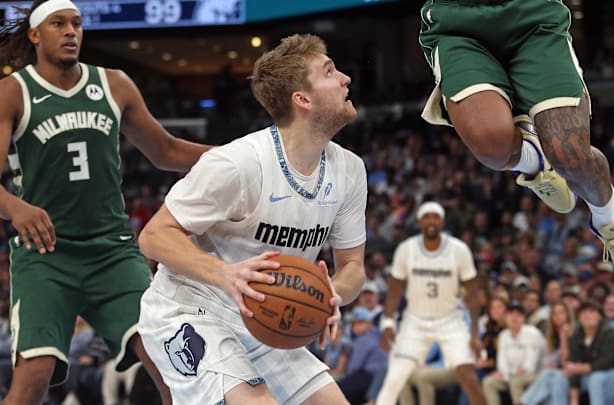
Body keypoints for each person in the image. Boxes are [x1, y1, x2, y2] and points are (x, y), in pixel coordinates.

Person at [136, 33, 368, 404]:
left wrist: (330, 295)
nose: (345, 79)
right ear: (302, 99)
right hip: (192, 308)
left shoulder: (351, 170)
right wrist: (225, 275)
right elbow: (154, 236)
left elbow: (353, 264)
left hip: (265, 317)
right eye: (330, 72)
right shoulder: (237, 163)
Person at [0, 0, 210, 403]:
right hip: (47, 255)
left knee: (173, 367)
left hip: (111, 252)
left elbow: (164, 151)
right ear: (34, 35)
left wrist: (235, 156)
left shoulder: (113, 84)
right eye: (58, 24)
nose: (70, 31)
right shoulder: (14, 91)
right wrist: (15, 207)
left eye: (77, 24)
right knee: (31, 382)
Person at [417, 0, 614, 298]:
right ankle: (535, 164)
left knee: (570, 155)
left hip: (532, 15)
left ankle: (610, 222)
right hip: (458, 24)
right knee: (492, 147)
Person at [375, 201, 485, 405]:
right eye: (427, 217)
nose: (431, 221)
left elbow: (472, 294)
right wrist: (388, 323)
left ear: (442, 222)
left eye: (435, 217)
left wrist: (475, 334)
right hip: (415, 321)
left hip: (450, 320)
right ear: (419, 222)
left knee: (468, 375)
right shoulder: (406, 249)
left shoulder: (459, 250)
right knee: (394, 378)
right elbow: (394, 291)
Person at [482, 301, 545, 405]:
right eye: (511, 314)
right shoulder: (503, 335)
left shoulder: (533, 334)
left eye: (519, 314)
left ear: (524, 318)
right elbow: (501, 364)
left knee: (516, 381)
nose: (514, 317)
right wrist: (508, 373)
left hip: (536, 374)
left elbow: (530, 367)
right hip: (512, 375)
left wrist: (508, 373)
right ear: (505, 317)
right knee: (488, 382)